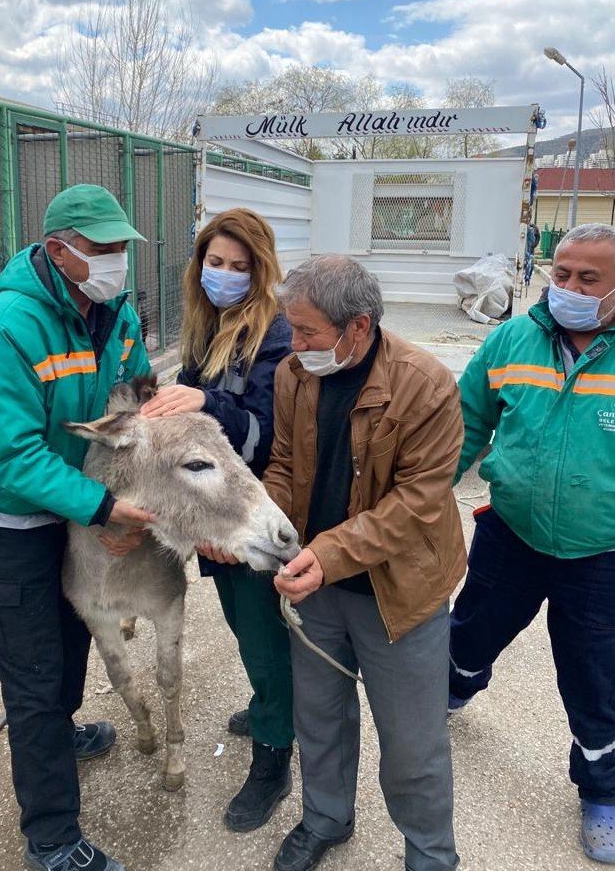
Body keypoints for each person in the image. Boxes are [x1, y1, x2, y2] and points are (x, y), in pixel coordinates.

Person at [0, 184, 154, 871]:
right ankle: (51, 836)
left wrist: (144, 430)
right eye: (101, 249)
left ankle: (58, 732)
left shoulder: (114, 313)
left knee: (72, 638)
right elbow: (12, 456)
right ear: (58, 250)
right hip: (12, 524)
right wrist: (103, 508)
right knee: (33, 674)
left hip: (76, 507)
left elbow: (135, 389)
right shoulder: (5, 328)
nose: (115, 260)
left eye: (120, 248)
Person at [265, 254, 466, 871]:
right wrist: (253, 526)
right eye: (291, 330)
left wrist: (327, 553)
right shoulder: (293, 374)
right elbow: (283, 466)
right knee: (319, 716)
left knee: (412, 742)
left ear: (358, 326)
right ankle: (326, 817)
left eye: (307, 333)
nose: (294, 345)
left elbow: (417, 503)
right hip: (316, 585)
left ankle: (430, 855)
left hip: (399, 592)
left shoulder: (425, 384)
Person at [448, 222, 615, 865]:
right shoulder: (514, 338)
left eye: (588, 279)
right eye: (561, 274)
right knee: (471, 629)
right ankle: (455, 688)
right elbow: (466, 420)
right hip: (510, 534)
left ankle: (602, 787)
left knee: (596, 677)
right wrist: (430, 496)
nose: (567, 288)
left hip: (600, 555)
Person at [140, 207, 295, 833]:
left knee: (262, 635)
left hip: (250, 505)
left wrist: (207, 402)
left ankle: (274, 759)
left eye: (239, 266)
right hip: (216, 507)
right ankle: (270, 707)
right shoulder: (207, 327)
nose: (225, 275)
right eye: (216, 262)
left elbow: (270, 424)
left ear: (261, 271)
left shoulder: (275, 334)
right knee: (242, 621)